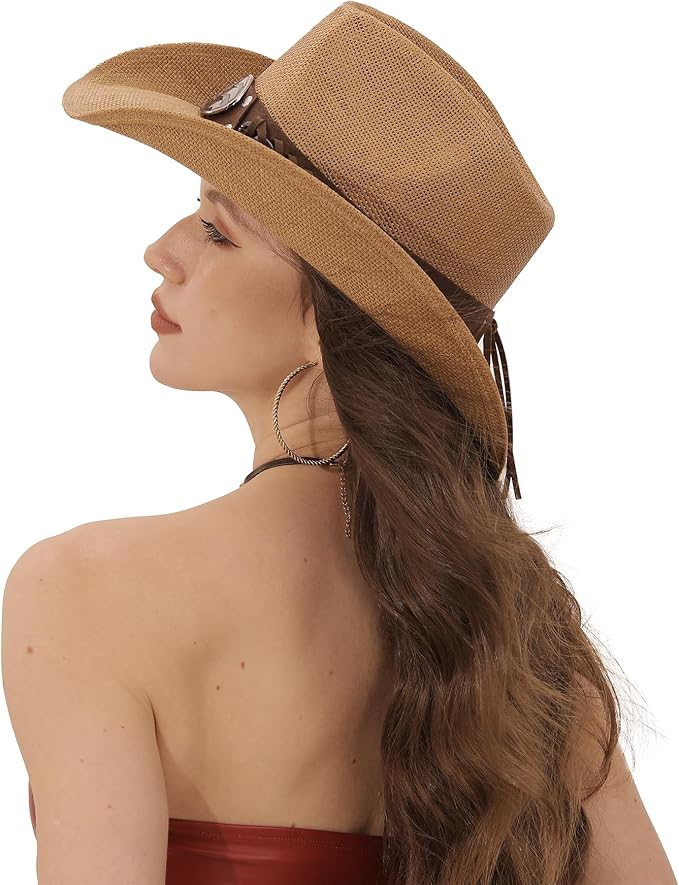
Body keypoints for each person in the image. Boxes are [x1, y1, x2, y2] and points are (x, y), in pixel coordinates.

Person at [3, 3, 675, 885]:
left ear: (328, 323)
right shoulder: (515, 625)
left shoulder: (85, 587)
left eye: (216, 229)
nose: (160, 251)